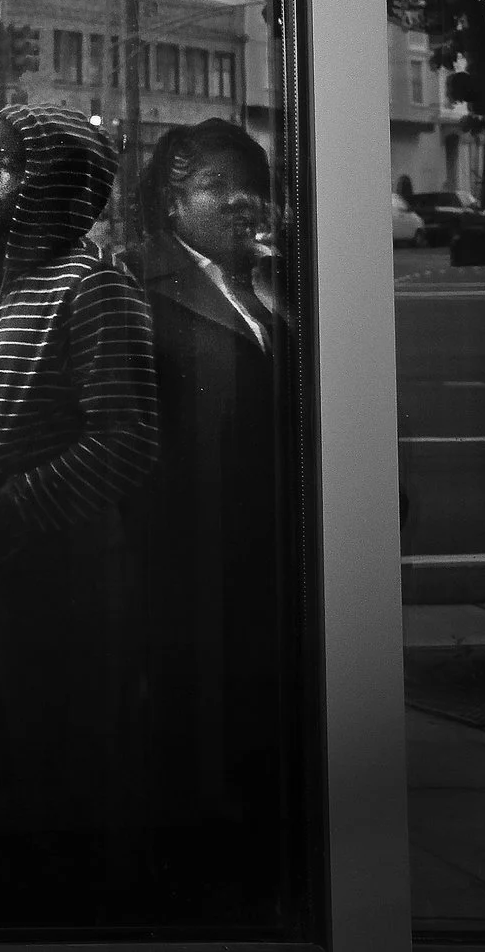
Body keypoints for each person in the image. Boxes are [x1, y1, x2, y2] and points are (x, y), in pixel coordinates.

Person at [0, 103, 156, 900]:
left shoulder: (93, 290)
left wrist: (5, 513)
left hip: (51, 588)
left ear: (54, 185)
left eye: (4, 163)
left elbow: (125, 440)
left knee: (53, 780)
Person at [124, 120, 293, 891]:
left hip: (268, 551)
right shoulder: (132, 282)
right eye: (217, 186)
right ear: (170, 200)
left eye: (251, 184)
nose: (242, 202)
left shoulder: (272, 277)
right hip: (185, 555)